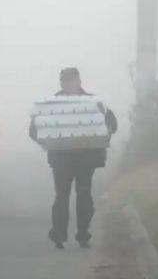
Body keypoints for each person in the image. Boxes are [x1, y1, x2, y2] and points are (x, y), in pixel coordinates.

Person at [30, 67, 118, 249]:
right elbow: (35, 130)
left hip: (76, 158)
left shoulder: (92, 103)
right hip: (69, 158)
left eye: (70, 81)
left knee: (77, 194)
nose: (68, 84)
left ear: (78, 81)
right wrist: (46, 140)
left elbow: (111, 125)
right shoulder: (54, 104)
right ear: (62, 83)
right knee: (69, 194)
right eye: (65, 81)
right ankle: (66, 235)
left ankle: (76, 234)